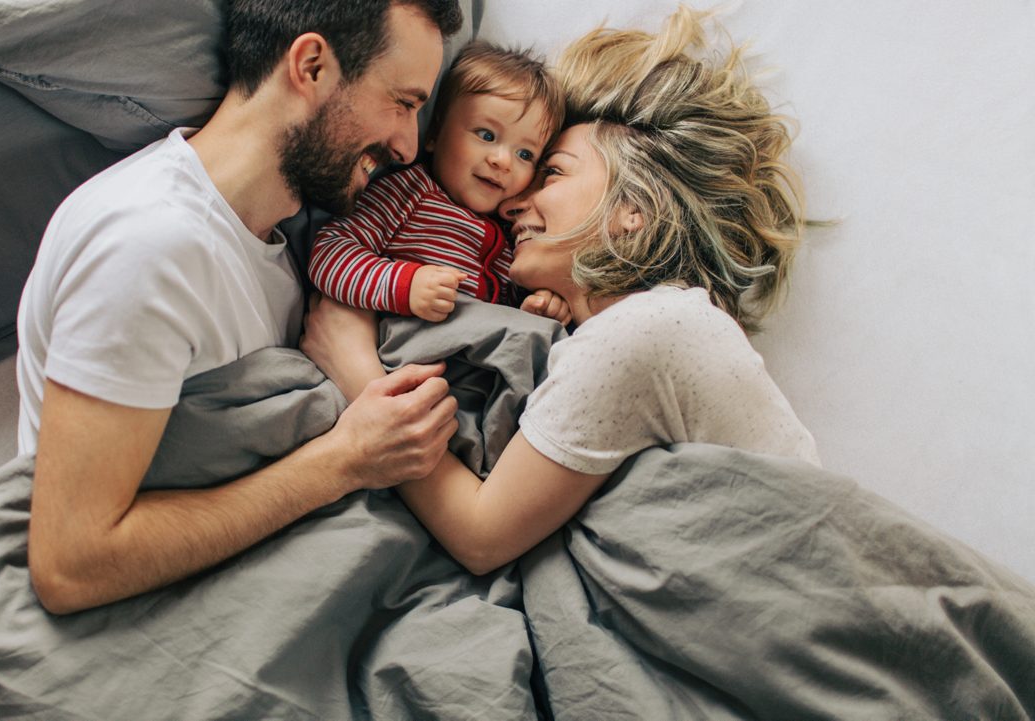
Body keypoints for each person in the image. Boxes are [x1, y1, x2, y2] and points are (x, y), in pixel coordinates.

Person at [301, 6, 821, 575]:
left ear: (632, 212)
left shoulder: (649, 327)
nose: (514, 199)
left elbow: (480, 536)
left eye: (548, 172)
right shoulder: (616, 329)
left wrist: (354, 368)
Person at [13, 0, 465, 615]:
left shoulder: (287, 236)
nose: (410, 146)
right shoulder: (148, 247)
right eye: (404, 103)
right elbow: (72, 564)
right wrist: (346, 461)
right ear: (310, 66)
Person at [309, 41, 573, 324]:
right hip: (400, 339)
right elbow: (329, 252)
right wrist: (407, 285)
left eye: (525, 154)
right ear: (434, 133)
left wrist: (539, 306)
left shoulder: (513, 228)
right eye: (486, 135)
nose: (503, 161)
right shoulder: (408, 193)